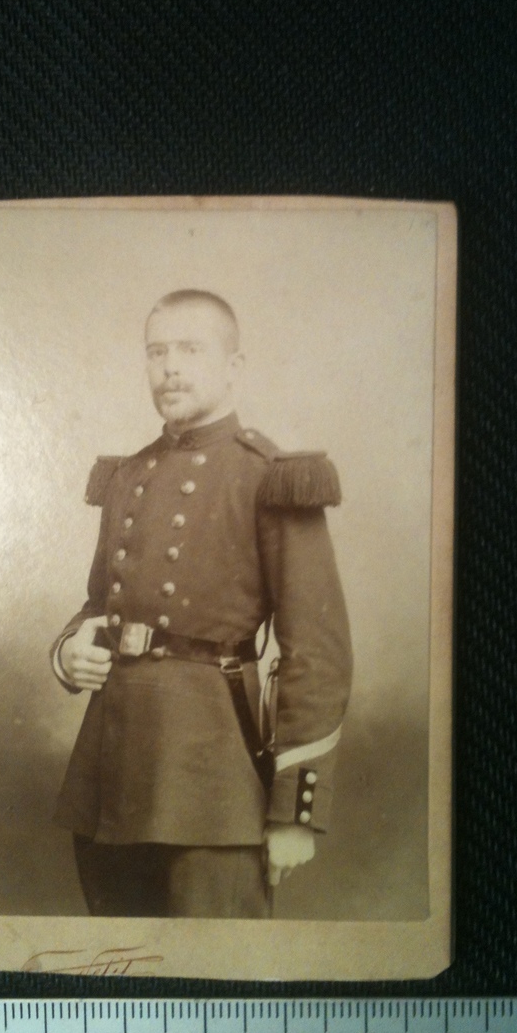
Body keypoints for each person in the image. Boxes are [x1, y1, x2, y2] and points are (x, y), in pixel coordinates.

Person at [50, 289, 352, 918]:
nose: (171, 368)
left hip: (215, 784)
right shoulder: (130, 473)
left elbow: (317, 652)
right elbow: (97, 604)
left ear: (234, 365)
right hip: (111, 773)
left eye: (190, 349)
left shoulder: (271, 474)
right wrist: (72, 649)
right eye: (157, 351)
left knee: (216, 982)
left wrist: (295, 810)